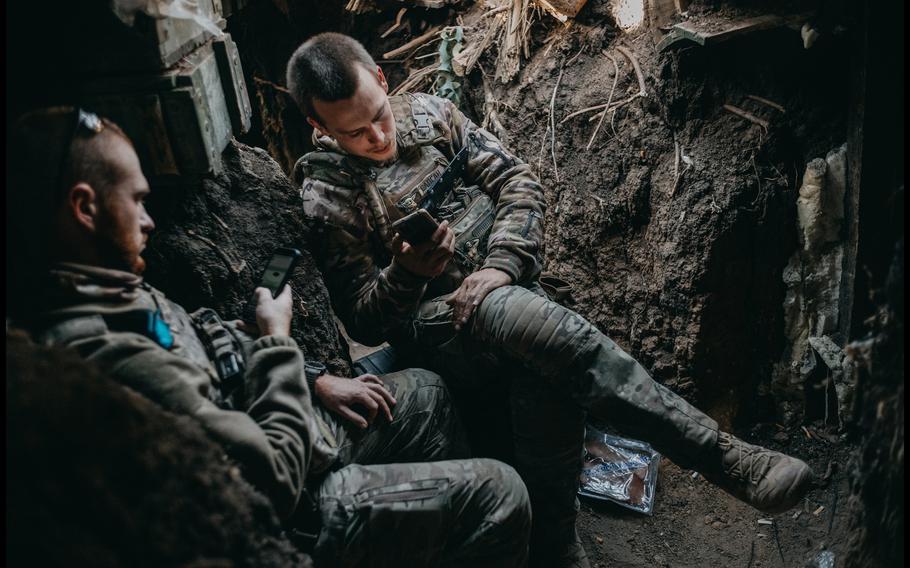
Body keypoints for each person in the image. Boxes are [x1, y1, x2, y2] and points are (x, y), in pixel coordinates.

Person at [286, 32, 817, 567]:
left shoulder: (433, 116)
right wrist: (407, 273)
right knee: (524, 323)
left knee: (543, 361)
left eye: (379, 114)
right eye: (355, 131)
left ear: (381, 78)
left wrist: (499, 265)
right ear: (320, 128)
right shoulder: (326, 196)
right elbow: (361, 316)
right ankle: (722, 457)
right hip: (437, 332)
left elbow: (517, 182)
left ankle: (557, 542)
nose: (378, 136)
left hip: (510, 297)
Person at [7, 106, 532, 567]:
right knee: (501, 493)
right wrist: (279, 342)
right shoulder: (101, 351)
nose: (147, 221)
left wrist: (314, 378)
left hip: (289, 422)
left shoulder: (114, 289)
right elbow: (275, 481)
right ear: (84, 207)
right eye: (137, 201)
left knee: (427, 393)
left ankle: (425, 537)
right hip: (299, 507)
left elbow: (208, 338)